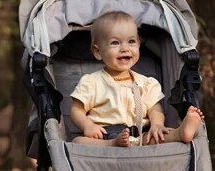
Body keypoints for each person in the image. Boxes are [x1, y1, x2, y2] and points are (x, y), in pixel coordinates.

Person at [70, 11, 204, 147]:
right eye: (115, 43)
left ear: (139, 44)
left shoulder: (146, 83)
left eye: (131, 41)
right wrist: (88, 126)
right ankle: (112, 144)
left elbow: (155, 109)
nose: (125, 48)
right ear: (98, 52)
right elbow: (77, 110)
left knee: (158, 136)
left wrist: (157, 125)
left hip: (139, 136)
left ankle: (180, 133)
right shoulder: (92, 82)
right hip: (103, 137)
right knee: (77, 142)